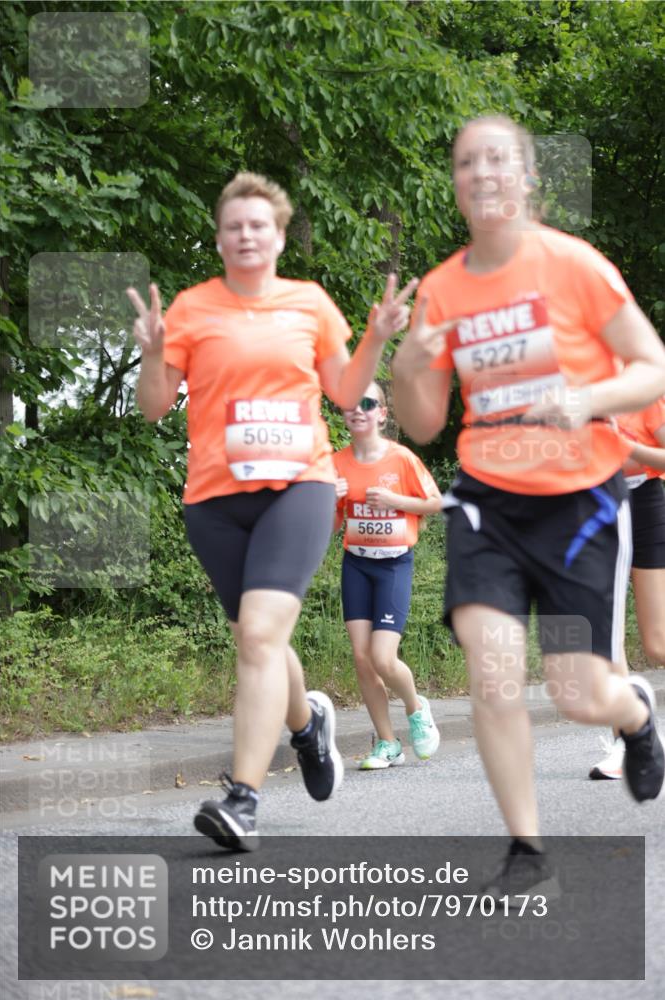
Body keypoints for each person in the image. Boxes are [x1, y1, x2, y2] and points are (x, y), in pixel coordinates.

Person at [391, 115, 665, 898]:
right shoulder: (442, 290)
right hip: (487, 504)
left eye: (496, 161)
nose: (481, 173)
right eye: (465, 163)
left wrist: (585, 399)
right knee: (493, 670)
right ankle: (525, 845)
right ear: (455, 184)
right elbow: (424, 424)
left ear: (526, 178)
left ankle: (634, 715)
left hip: (579, 502)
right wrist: (411, 364)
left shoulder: (575, 266)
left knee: (578, 691)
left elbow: (649, 366)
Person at [127, 171, 417, 851]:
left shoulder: (309, 304)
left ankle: (243, 800)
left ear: (278, 236)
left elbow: (345, 390)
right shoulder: (193, 309)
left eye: (259, 225)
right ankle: (306, 726)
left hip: (299, 490)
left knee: (258, 635)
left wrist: (375, 336)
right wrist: (149, 352)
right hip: (215, 501)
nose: (246, 235)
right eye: (234, 226)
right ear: (220, 237)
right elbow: (153, 405)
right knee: (258, 638)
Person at [333, 381, 443, 769]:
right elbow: (329, 527)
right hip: (357, 565)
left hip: (394, 564)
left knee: (382, 657)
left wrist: (396, 501)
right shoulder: (336, 463)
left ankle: (416, 709)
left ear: (382, 412)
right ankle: (386, 742)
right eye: (351, 403)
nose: (358, 409)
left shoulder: (401, 459)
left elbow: (436, 503)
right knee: (363, 660)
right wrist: (329, 499)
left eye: (368, 403)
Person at [589, 396, 665, 779]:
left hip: (645, 504)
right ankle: (629, 742)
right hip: (594, 509)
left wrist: (627, 446)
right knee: (607, 635)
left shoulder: (643, 393)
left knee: (657, 643)